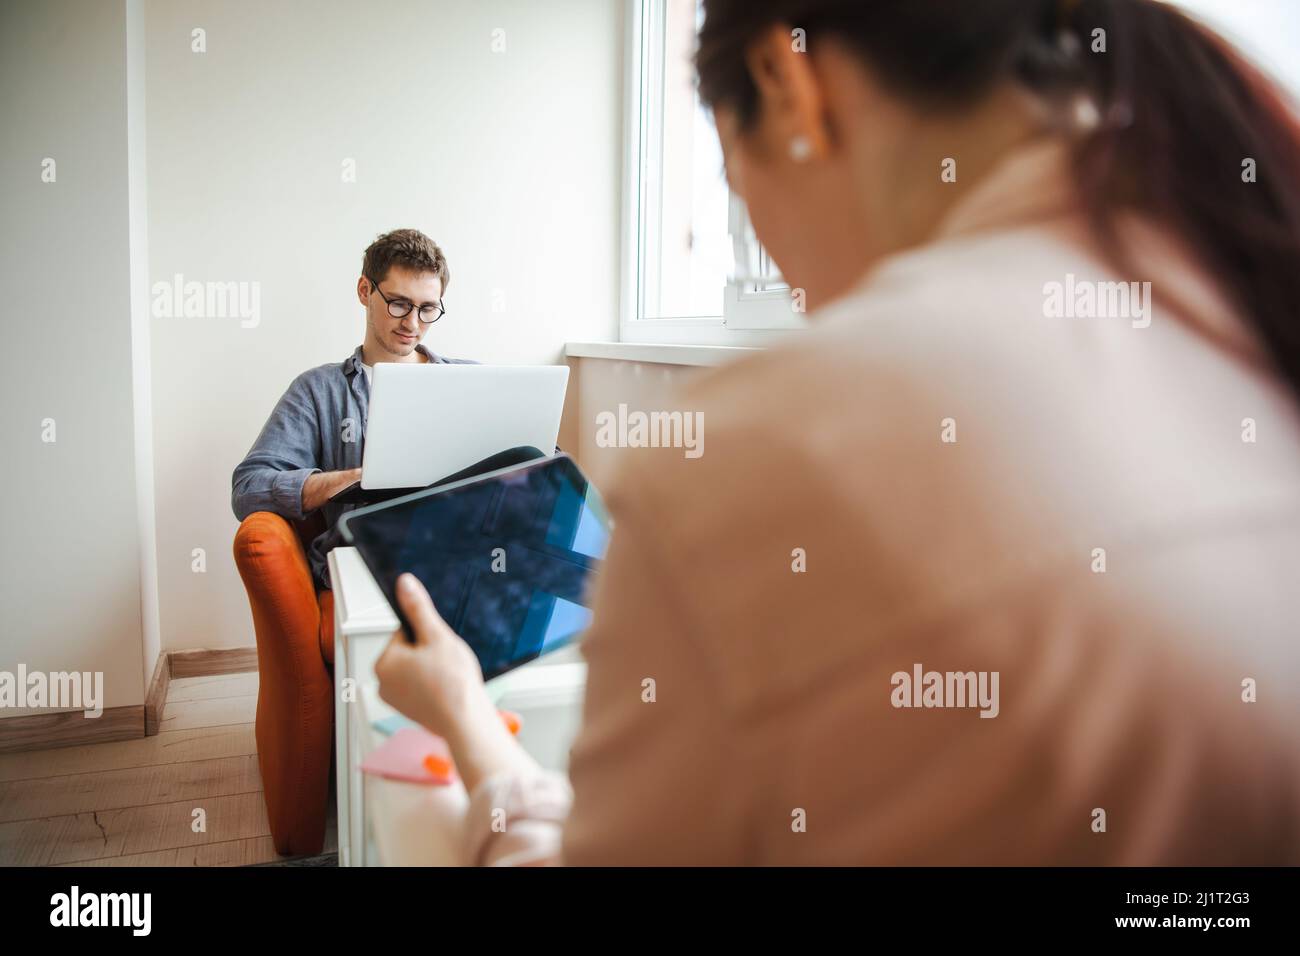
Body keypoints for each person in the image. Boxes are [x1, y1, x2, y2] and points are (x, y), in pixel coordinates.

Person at [376, 0, 1300, 864]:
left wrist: (467, 727)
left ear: (788, 79)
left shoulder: (759, 446)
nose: (782, 268)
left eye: (737, 184)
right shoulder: (1244, 291)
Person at [231, 228, 473, 591]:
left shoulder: (471, 381)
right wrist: (350, 480)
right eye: (398, 303)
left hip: (466, 557)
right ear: (365, 291)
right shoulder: (319, 390)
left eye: (427, 309)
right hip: (375, 567)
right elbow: (248, 488)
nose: (412, 323)